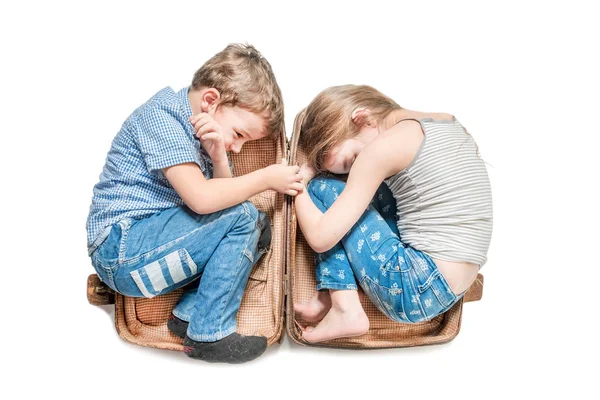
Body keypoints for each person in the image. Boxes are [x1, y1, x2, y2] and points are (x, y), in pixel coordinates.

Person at [86, 44, 304, 363]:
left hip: (156, 254)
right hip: (121, 251)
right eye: (239, 134)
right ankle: (208, 334)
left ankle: (189, 316)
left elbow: (223, 199)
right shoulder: (162, 118)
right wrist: (266, 178)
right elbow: (203, 200)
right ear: (211, 101)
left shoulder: (204, 130)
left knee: (257, 225)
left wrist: (218, 154)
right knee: (245, 215)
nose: (239, 148)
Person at [293, 85, 492, 343]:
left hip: (414, 287)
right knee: (378, 191)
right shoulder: (446, 122)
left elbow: (321, 238)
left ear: (362, 118)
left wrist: (299, 185)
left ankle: (346, 309)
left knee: (322, 186)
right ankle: (330, 295)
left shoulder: (381, 149)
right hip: (453, 290)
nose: (355, 170)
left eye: (352, 160)